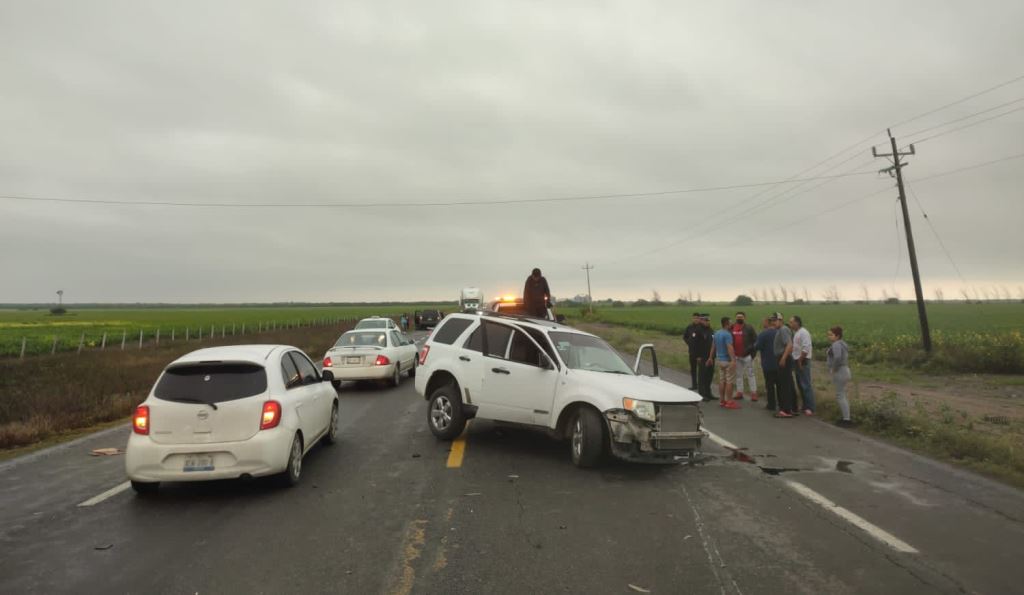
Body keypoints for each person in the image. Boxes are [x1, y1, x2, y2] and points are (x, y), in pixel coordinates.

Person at [709, 316, 739, 409]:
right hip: (727, 361)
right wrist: (733, 360)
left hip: (719, 360)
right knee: (729, 381)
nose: (732, 324)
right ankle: (729, 401)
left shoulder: (716, 333)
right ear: (727, 324)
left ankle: (722, 400)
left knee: (722, 380)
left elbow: (713, 346)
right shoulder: (727, 334)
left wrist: (710, 357)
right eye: (730, 322)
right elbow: (729, 347)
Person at [771, 313, 798, 418]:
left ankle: (786, 410)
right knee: (789, 383)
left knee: (784, 385)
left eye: (775, 320)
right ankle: (792, 408)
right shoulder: (781, 330)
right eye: (772, 321)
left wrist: (783, 358)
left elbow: (789, 344)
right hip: (784, 357)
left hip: (783, 358)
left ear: (780, 320)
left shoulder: (783, 329)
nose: (773, 323)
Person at [827, 326, 853, 427]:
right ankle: (846, 417)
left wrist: (833, 368)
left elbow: (837, 357)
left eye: (831, 335)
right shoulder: (842, 343)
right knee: (842, 395)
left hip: (840, 371)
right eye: (828, 334)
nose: (829, 337)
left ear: (837, 336)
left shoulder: (836, 344)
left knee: (840, 395)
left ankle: (846, 420)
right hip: (845, 370)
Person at [790, 315, 816, 416]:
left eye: (792, 322)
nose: (791, 324)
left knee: (805, 384)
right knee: (800, 384)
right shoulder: (796, 333)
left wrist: (800, 360)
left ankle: (810, 407)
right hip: (797, 360)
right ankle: (805, 405)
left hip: (803, 360)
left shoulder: (804, 332)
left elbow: (806, 348)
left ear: (797, 322)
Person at [730, 311, 759, 401]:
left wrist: (752, 354)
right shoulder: (732, 327)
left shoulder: (749, 328)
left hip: (747, 356)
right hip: (736, 356)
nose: (739, 318)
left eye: (741, 317)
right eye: (738, 317)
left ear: (744, 318)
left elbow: (756, 341)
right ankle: (739, 392)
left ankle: (753, 393)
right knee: (739, 375)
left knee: (751, 374)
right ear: (735, 318)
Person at [754, 317, 779, 411]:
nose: (762, 323)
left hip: (768, 363)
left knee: (770, 385)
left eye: (763, 322)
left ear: (767, 323)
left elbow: (757, 346)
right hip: (779, 362)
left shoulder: (763, 334)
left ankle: (771, 404)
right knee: (780, 384)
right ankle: (782, 403)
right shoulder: (779, 332)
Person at [695, 314, 716, 400]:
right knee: (702, 376)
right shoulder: (698, 330)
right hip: (702, 356)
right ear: (701, 320)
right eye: (706, 320)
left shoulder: (710, 330)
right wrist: (697, 356)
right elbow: (694, 344)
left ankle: (708, 393)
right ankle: (702, 394)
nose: (708, 322)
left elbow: (713, 342)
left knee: (709, 375)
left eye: (708, 320)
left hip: (710, 357)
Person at [683, 312, 703, 390]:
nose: (695, 319)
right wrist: (689, 343)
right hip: (692, 352)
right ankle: (694, 385)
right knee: (693, 369)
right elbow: (685, 337)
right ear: (692, 318)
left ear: (700, 319)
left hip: (701, 353)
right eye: (694, 318)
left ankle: (701, 386)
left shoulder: (702, 327)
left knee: (701, 370)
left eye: (697, 318)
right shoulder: (689, 327)